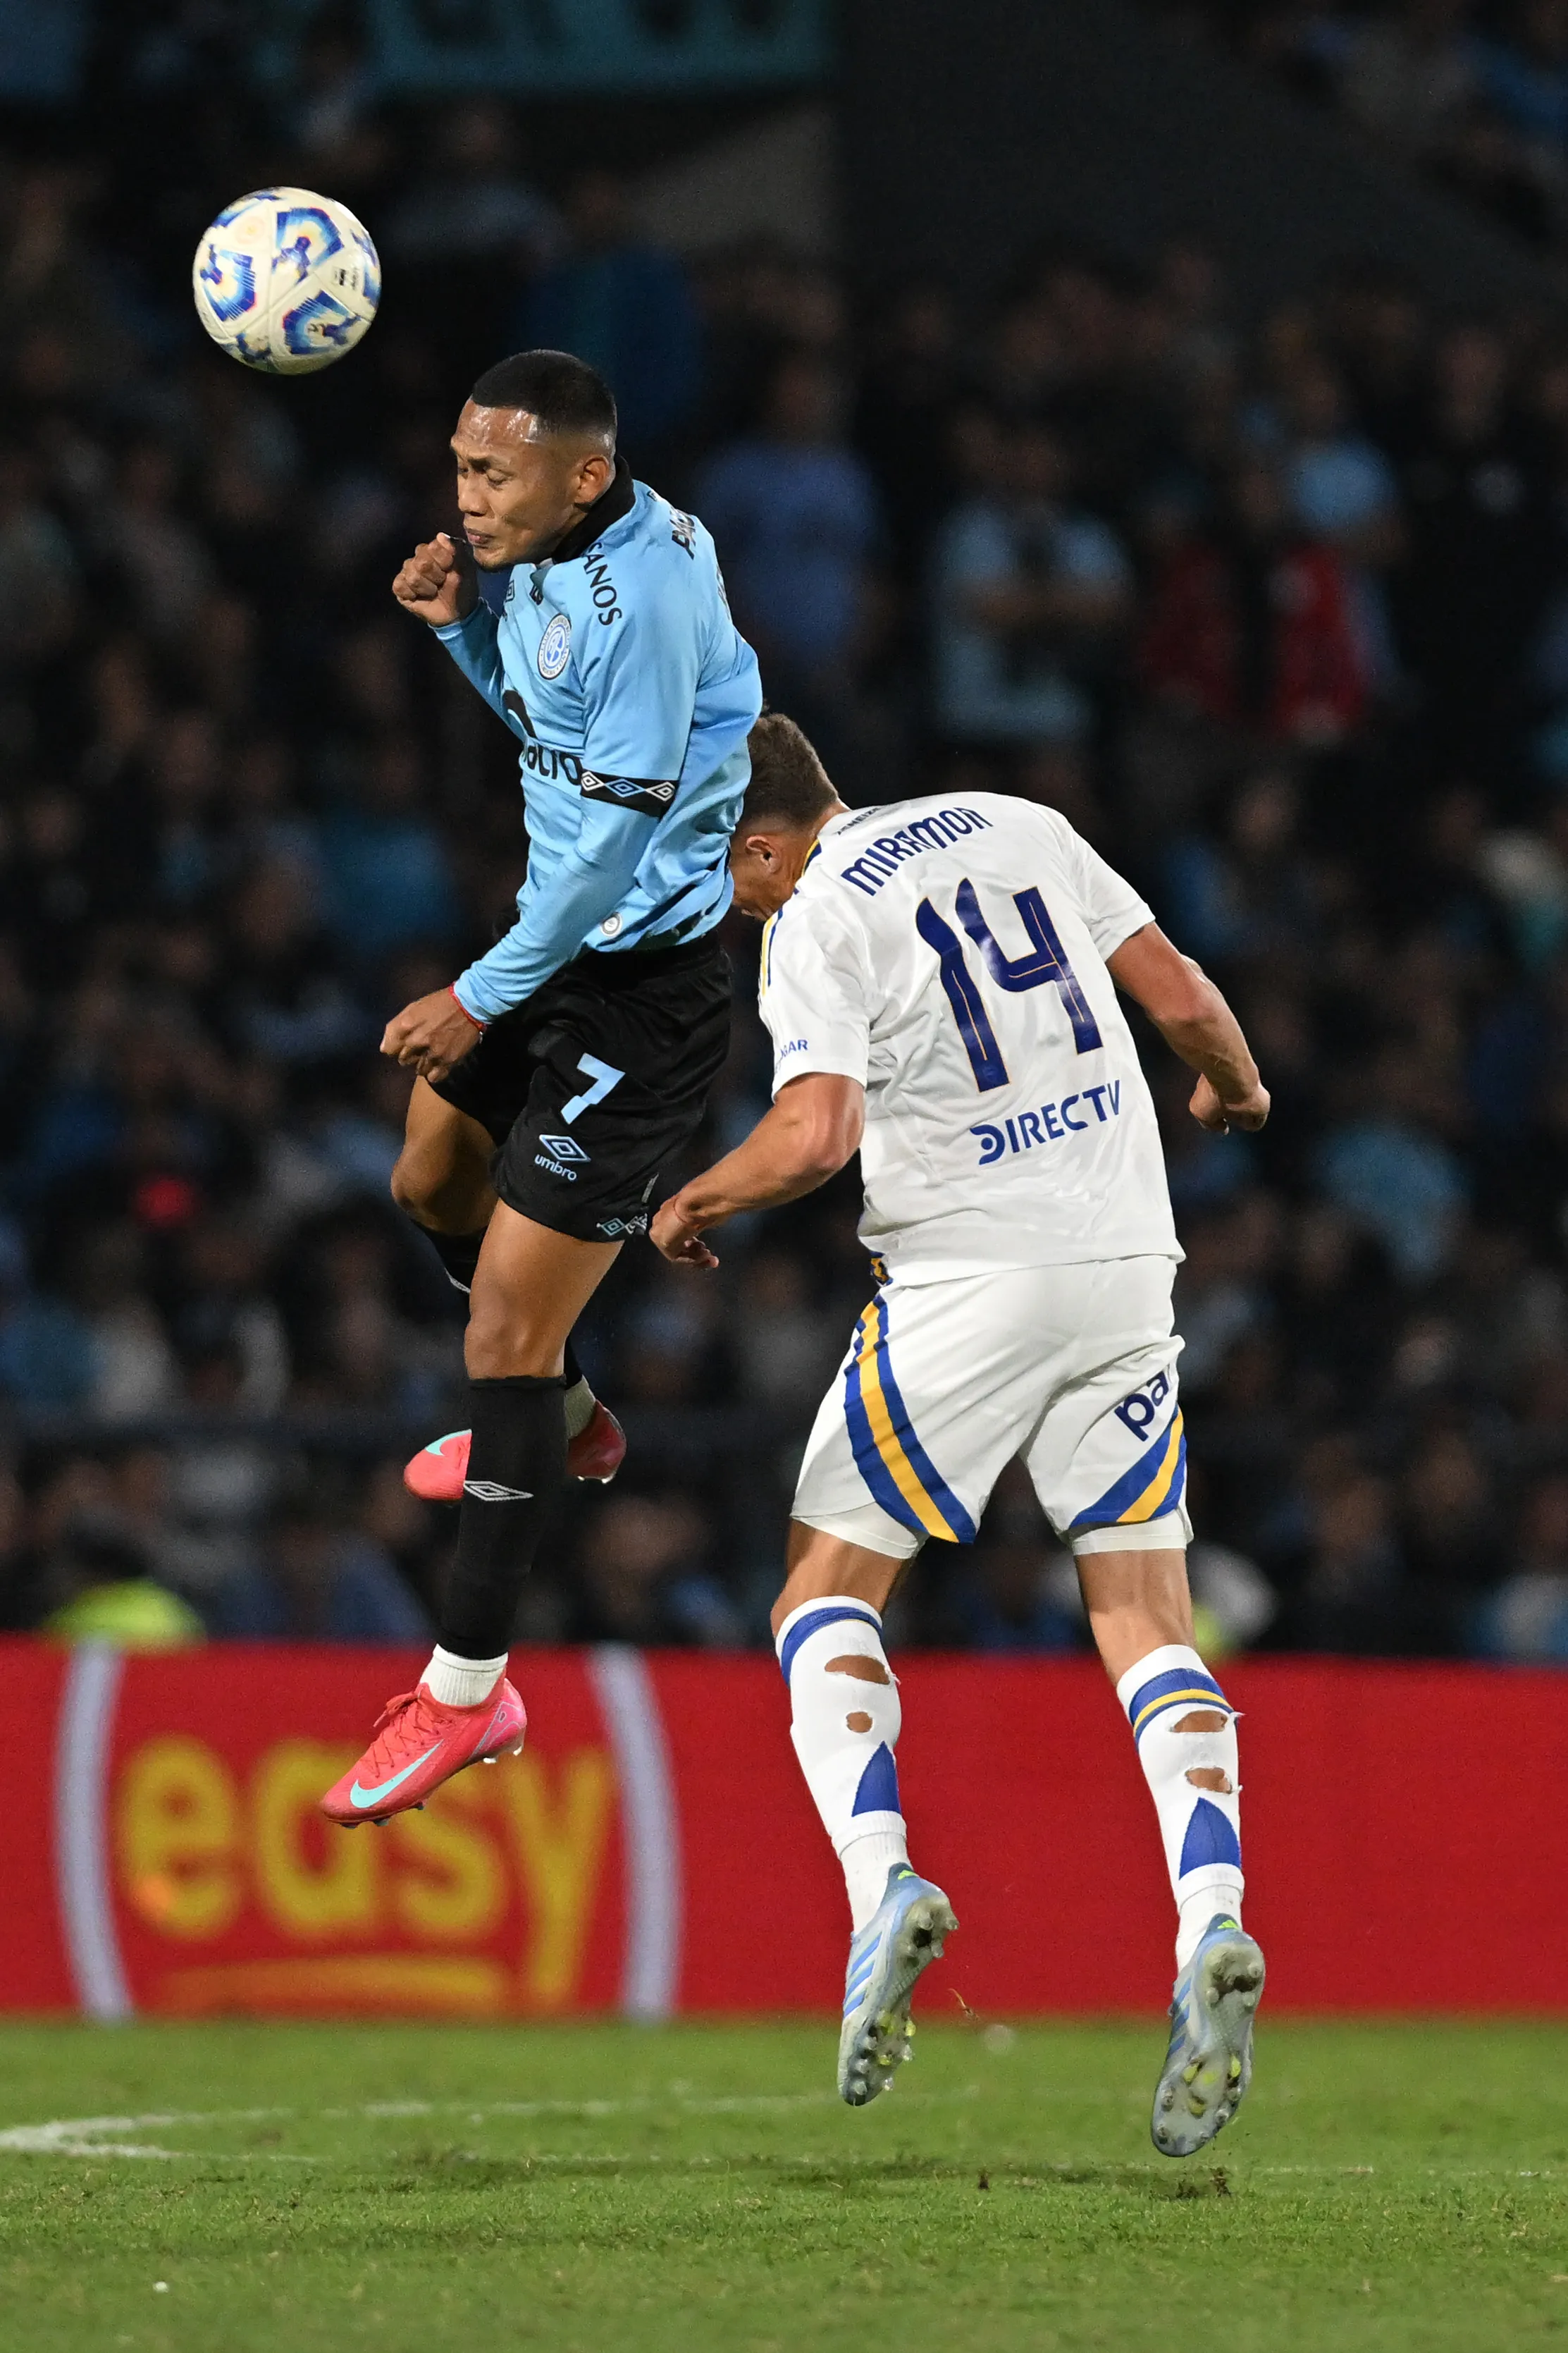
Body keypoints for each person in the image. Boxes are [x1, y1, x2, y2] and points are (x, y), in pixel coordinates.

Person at [650, 713, 1269, 2154]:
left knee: (820, 1591)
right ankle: (1213, 1916)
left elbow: (812, 1132)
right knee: (1142, 1612)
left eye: (711, 862)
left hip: (964, 1280)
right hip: (1124, 1262)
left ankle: (880, 1888)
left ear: (759, 840)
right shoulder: (1014, 821)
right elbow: (1177, 992)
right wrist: (1232, 1084)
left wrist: (695, 1201)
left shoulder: (810, 913)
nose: (714, 893)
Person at [319, 350, 762, 1829]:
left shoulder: (643, 597)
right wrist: (461, 639)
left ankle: (465, 1691)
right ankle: (569, 1415)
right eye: (458, 466)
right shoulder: (569, 555)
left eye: (492, 474)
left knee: (503, 1322)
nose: (466, 497)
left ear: (584, 471)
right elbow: (558, 742)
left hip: (641, 986)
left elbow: (611, 850)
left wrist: (477, 995)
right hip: (564, 941)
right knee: (426, 1182)